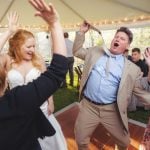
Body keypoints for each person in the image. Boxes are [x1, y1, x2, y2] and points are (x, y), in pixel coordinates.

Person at [0, 0, 68, 150]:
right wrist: (9, 32)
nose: (32, 50)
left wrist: (50, 101)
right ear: (17, 46)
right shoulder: (8, 60)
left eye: (34, 46)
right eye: (29, 46)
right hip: (18, 112)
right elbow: (58, 71)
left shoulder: (38, 60)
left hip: (41, 109)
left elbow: (47, 80)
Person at [73, 22, 150, 150]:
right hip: (89, 106)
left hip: (111, 109)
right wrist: (81, 32)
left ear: (127, 45)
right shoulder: (95, 51)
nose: (117, 39)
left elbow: (140, 92)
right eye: (116, 36)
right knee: (80, 140)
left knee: (124, 143)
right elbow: (76, 51)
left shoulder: (132, 69)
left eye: (122, 38)